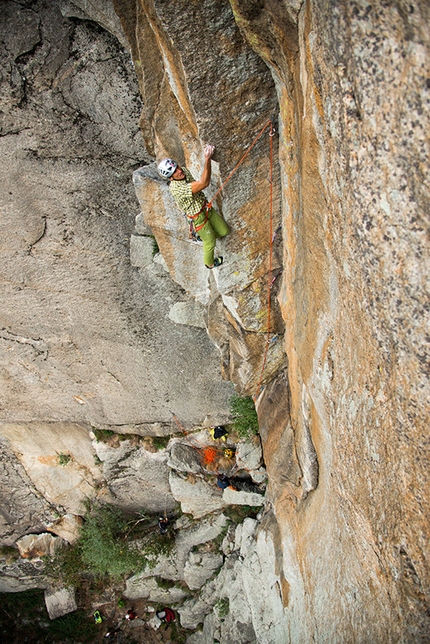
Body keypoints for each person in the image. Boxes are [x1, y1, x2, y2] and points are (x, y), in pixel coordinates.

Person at [158, 145, 229, 269]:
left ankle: (203, 236)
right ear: (171, 178)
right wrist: (207, 159)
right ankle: (210, 263)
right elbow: (203, 183)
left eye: (177, 168)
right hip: (197, 218)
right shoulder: (177, 189)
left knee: (224, 231)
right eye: (174, 172)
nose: (179, 171)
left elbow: (197, 185)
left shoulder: (184, 171)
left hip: (205, 208)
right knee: (210, 242)